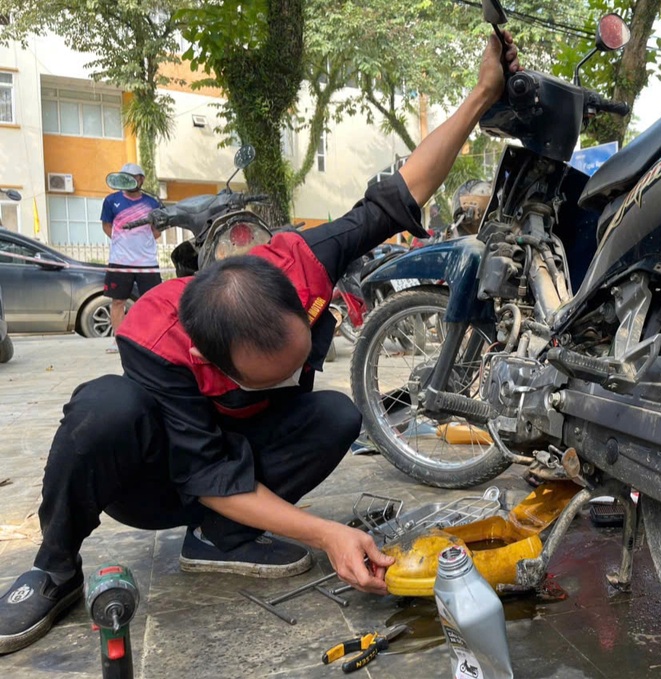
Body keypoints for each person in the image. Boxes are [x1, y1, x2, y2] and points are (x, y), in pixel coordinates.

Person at [0, 32, 520, 655]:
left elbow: (400, 193)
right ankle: (55, 565)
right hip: (157, 481)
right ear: (206, 357)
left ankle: (221, 535)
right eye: (264, 377)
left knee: (335, 414)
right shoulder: (157, 338)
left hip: (237, 452)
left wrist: (483, 93)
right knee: (104, 409)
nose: (287, 380)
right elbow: (208, 470)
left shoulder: (303, 261)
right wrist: (327, 534)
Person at [101, 163, 163, 353]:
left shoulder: (153, 203)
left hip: (147, 263)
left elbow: (158, 231)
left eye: (134, 177)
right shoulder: (111, 201)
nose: (130, 180)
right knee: (118, 301)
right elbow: (106, 226)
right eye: (126, 177)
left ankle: (151, 340)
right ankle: (118, 340)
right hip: (120, 261)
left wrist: (142, 243)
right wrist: (124, 242)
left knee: (152, 303)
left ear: (141, 179)